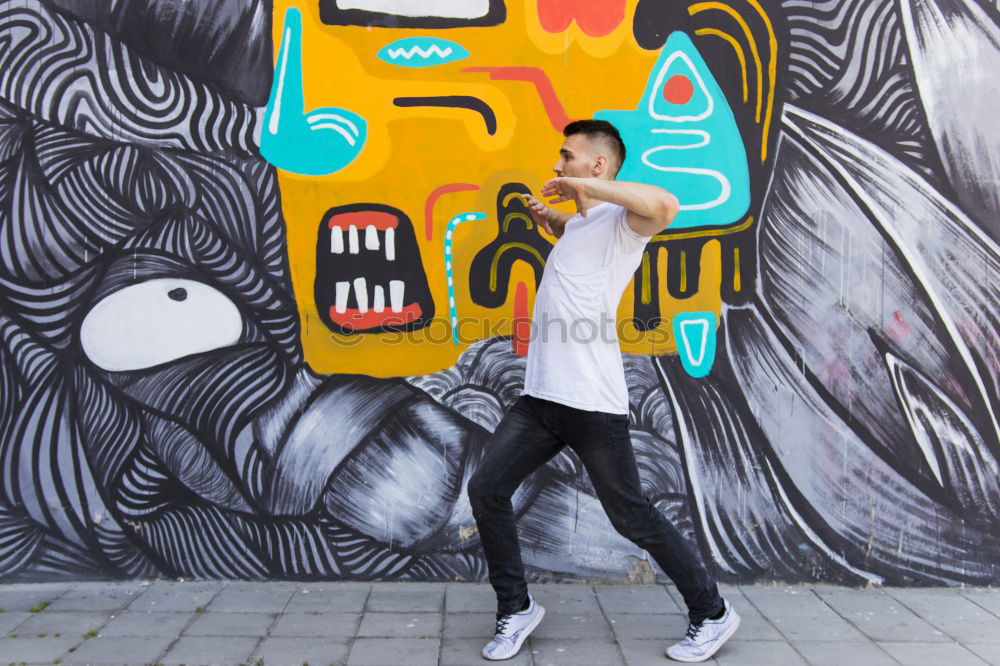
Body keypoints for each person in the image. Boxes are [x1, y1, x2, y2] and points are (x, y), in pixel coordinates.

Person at [467, 119, 740, 663]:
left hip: (591, 402)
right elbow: (575, 241)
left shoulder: (623, 220)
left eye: (566, 157)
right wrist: (553, 217)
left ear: (596, 166)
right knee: (487, 489)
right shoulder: (585, 225)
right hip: (542, 400)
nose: (556, 165)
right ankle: (516, 609)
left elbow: (665, 206)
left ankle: (712, 613)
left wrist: (588, 190)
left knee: (631, 515)